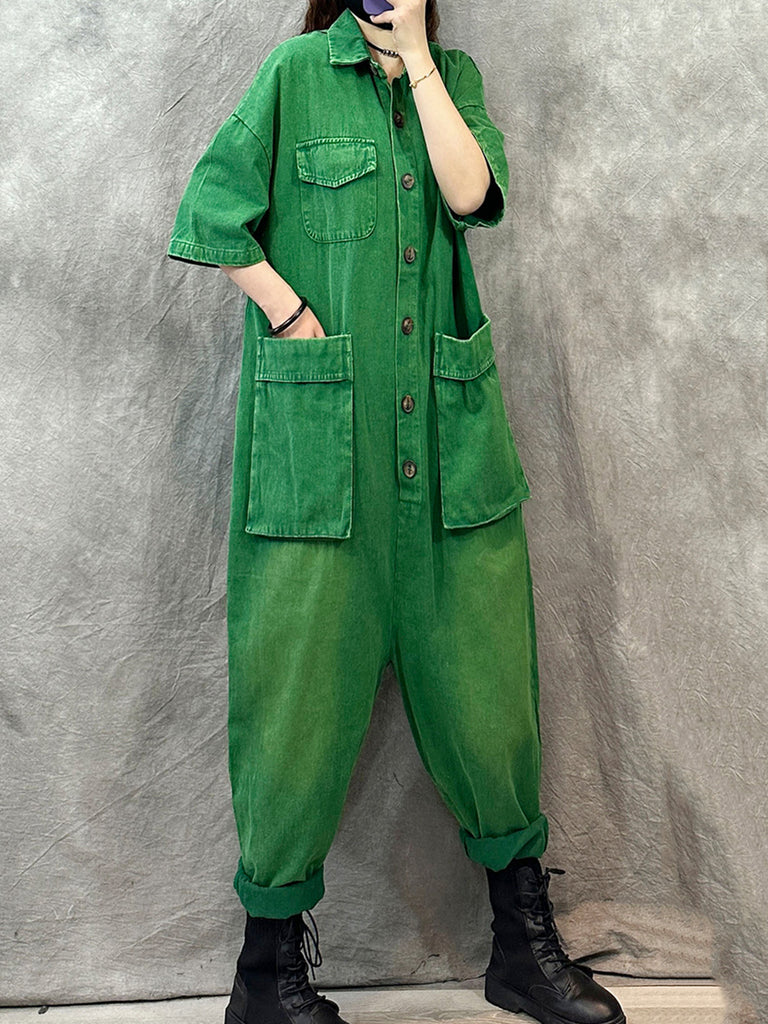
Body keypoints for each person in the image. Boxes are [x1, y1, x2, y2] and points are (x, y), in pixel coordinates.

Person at [166, 2, 626, 1023]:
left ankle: (521, 948)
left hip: (453, 457)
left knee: (491, 696)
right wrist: (288, 309)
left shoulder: (452, 80)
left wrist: (416, 56)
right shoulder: (294, 74)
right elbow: (212, 211)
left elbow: (472, 195)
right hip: (319, 460)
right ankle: (265, 977)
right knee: (292, 706)